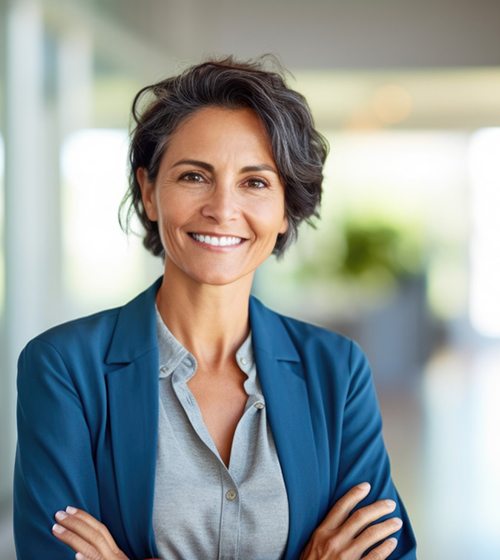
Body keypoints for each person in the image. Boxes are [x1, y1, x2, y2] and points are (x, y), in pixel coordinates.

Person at [14, 57, 417, 559]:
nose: (223, 209)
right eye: (194, 176)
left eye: (255, 182)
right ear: (149, 191)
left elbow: (389, 551)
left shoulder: (336, 369)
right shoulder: (64, 367)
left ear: (286, 208)